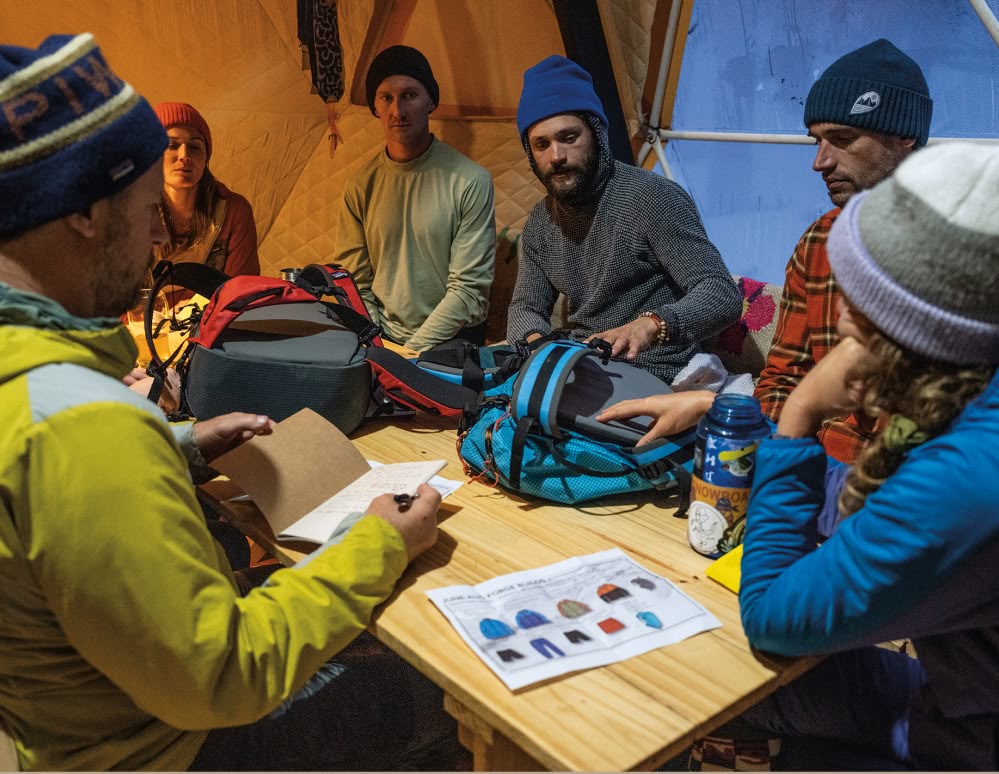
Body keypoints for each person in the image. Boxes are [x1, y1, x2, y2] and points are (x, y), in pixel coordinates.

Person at [0, 33, 456, 771]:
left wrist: (174, 447)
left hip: (67, 723)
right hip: (165, 751)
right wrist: (378, 544)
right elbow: (223, 678)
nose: (157, 236)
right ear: (83, 210)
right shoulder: (86, 429)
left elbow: (44, 505)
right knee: (434, 682)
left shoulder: (30, 387)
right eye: (148, 207)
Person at [733, 142, 999, 770]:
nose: (842, 314)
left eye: (859, 297)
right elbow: (871, 507)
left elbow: (773, 614)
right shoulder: (970, 398)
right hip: (964, 698)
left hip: (967, 743)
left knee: (722, 683)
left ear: (909, 326)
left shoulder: (968, 481)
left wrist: (798, 415)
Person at [507, 55, 741, 384]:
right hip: (583, 369)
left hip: (657, 372)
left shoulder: (653, 197)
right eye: (541, 145)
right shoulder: (540, 222)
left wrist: (650, 326)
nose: (556, 156)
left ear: (597, 134)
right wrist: (538, 348)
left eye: (569, 138)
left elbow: (720, 293)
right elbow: (525, 307)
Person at [754, 39, 932, 463]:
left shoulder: (964, 257)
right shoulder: (819, 242)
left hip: (915, 499)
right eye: (816, 141)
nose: (820, 162)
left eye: (842, 138)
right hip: (819, 476)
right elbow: (782, 379)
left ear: (905, 135)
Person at [333, 45, 496, 353]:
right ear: (375, 107)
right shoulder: (359, 186)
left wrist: (411, 354)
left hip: (452, 340)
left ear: (431, 101)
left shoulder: (470, 181)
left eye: (410, 95)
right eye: (387, 98)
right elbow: (355, 281)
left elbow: (468, 290)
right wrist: (376, 341)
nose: (398, 111)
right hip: (383, 339)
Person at [154, 101, 260, 281]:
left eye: (194, 147)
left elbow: (241, 288)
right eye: (172, 145)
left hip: (213, 309)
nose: (184, 156)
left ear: (206, 159)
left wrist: (194, 307)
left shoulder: (233, 211)